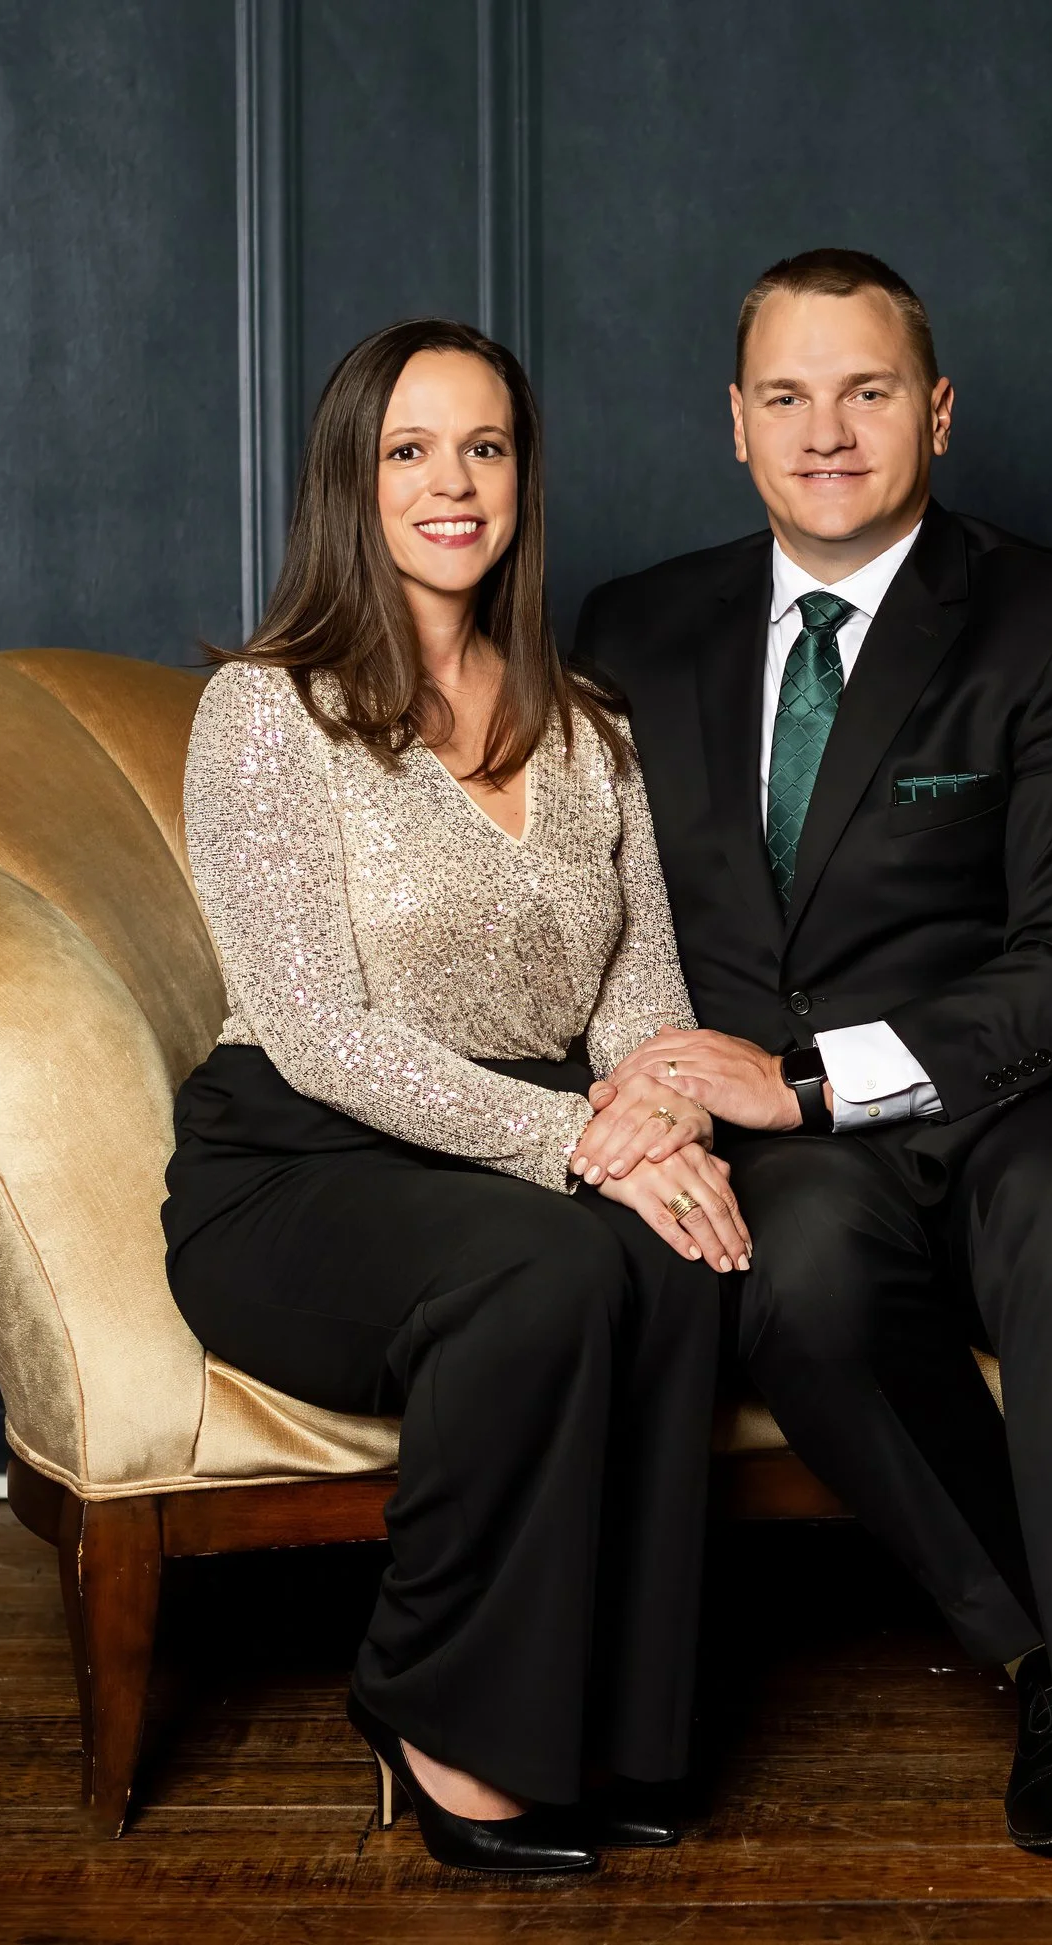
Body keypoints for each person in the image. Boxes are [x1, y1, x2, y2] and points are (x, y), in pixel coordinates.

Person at [574, 250, 1052, 1943]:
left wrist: (806, 1078)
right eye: (787, 395)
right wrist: (648, 1089)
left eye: (866, 392)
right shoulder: (632, 630)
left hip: (1022, 1087)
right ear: (734, 424)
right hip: (784, 1141)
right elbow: (587, 901)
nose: (827, 431)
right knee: (801, 1281)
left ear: (936, 411)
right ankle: (1044, 1657)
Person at [164, 321, 745, 1874]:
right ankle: (434, 1708)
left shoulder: (590, 722)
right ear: (351, 481)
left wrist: (658, 1120)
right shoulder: (267, 715)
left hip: (521, 1146)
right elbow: (313, 1030)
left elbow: (644, 996)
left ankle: (608, 1732)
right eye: (409, 450)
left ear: (522, 480)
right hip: (297, 1164)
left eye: (484, 447)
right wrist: (576, 1143)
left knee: (688, 1248)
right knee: (551, 1267)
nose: (451, 482)